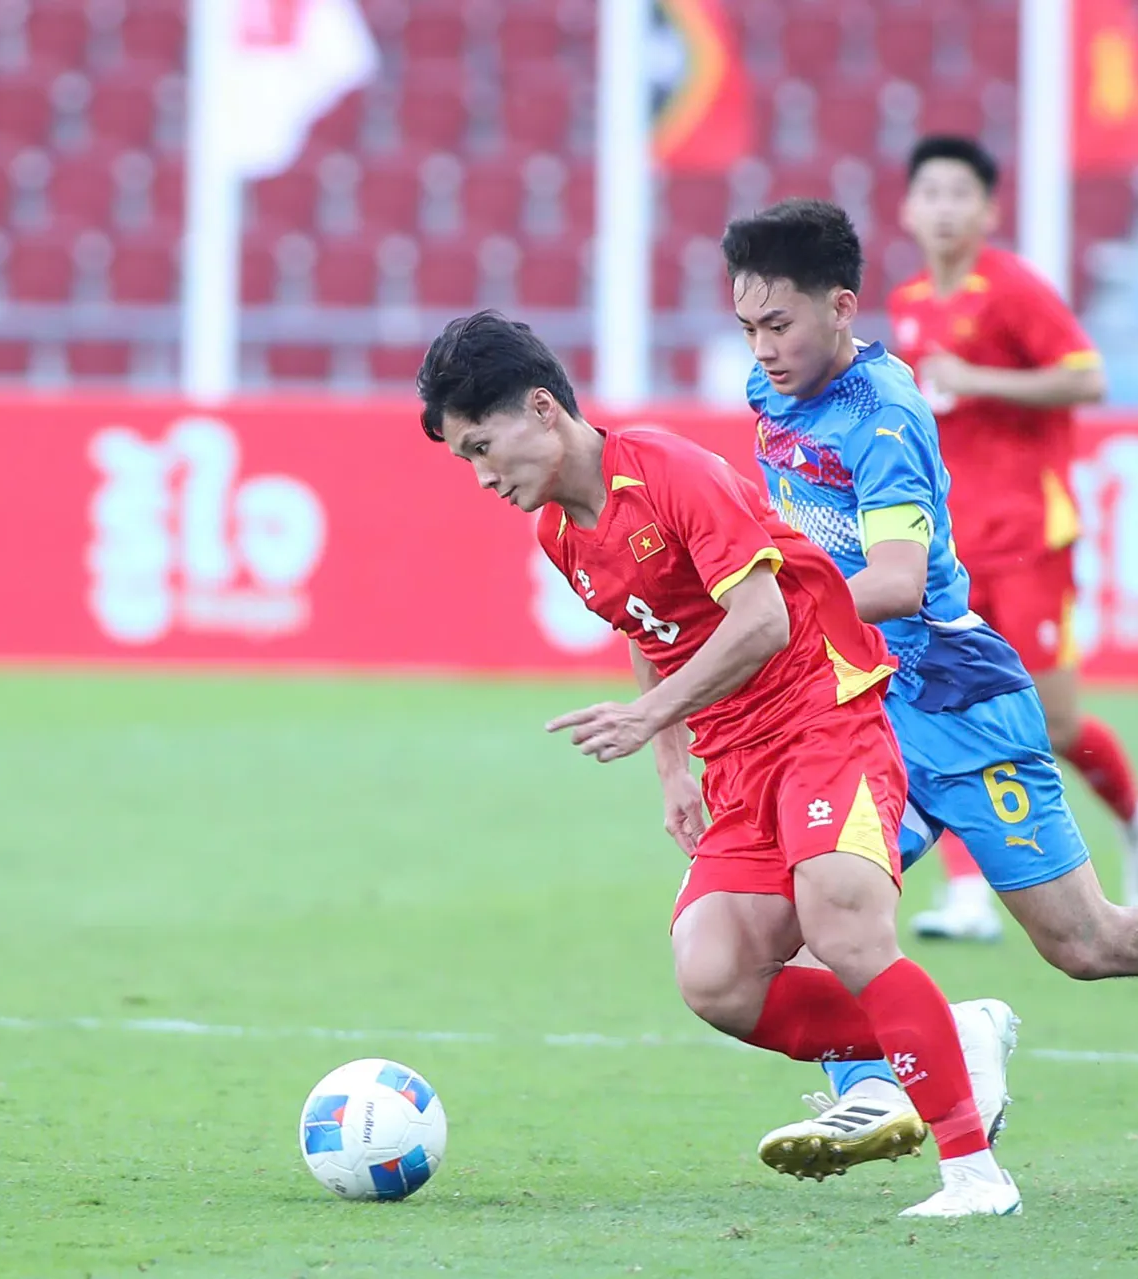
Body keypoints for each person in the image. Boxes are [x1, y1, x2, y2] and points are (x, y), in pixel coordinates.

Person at [721, 198, 1138, 1183]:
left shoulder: (883, 415)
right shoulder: (769, 391)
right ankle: (886, 1075)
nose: (762, 349)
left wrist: (766, 620)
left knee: (1087, 939)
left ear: (842, 307)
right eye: (748, 327)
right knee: (811, 905)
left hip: (954, 701)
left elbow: (898, 582)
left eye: (778, 325)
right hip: (861, 710)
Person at [414, 309, 1020, 1218]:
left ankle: (975, 1174)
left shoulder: (670, 472)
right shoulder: (560, 534)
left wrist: (650, 716)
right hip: (737, 760)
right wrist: (672, 768)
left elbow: (764, 620)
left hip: (823, 716)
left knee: (845, 922)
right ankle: (953, 1032)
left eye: (482, 446)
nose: (483, 476)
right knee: (716, 977)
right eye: (466, 459)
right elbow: (646, 630)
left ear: (542, 408)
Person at [887, 134, 1138, 939]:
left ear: (988, 209)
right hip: (946, 552)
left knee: (1055, 724)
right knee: (942, 706)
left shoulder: (1011, 289)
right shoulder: (909, 303)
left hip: (1028, 538)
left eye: (960, 194)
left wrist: (979, 379)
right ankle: (967, 895)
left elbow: (1089, 376)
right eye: (931, 193)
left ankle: (1136, 815)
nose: (944, 209)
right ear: (907, 209)